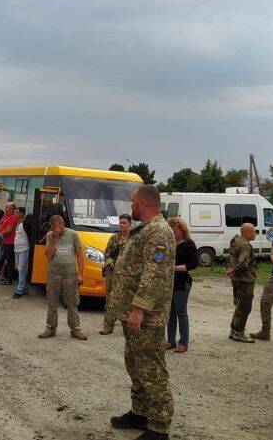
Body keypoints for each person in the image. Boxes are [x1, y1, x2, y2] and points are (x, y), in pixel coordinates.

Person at [108, 185, 175, 440]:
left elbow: (154, 274)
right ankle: (140, 412)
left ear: (144, 204)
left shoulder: (158, 231)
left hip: (145, 317)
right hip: (131, 314)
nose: (131, 205)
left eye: (133, 201)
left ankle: (159, 427)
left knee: (151, 369)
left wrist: (138, 309)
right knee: (135, 365)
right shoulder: (145, 230)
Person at [38, 215, 88, 340]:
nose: (57, 229)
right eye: (54, 227)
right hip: (54, 274)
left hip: (70, 275)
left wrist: (80, 274)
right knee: (52, 302)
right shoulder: (50, 236)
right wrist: (55, 238)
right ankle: (50, 328)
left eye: (58, 226)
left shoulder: (73, 234)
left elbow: (80, 256)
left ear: (63, 223)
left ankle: (75, 329)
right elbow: (49, 256)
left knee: (72, 303)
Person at [165, 217, 197, 354]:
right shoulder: (168, 243)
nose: (173, 232)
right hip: (168, 282)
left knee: (181, 313)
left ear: (182, 230)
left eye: (175, 230)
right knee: (170, 313)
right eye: (171, 229)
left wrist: (175, 268)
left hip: (182, 282)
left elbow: (193, 264)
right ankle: (170, 340)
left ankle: (183, 342)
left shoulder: (189, 244)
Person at [100, 214, 132, 335]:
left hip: (128, 274)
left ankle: (128, 324)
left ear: (130, 224)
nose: (122, 225)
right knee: (110, 298)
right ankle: (108, 325)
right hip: (112, 272)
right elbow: (106, 253)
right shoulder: (114, 238)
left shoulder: (134, 238)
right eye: (120, 223)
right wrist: (111, 263)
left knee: (127, 299)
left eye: (124, 223)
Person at [226, 223, 258, 343]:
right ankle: (239, 333)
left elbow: (231, 258)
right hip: (245, 279)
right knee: (244, 307)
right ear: (247, 233)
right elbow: (242, 263)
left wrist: (230, 270)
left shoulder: (235, 241)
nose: (255, 233)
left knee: (238, 305)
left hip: (236, 280)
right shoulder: (245, 246)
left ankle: (233, 331)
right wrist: (234, 271)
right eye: (253, 231)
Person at [0, 202, 17, 285]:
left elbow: (9, 230)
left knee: (9, 262)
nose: (5, 208)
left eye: (7, 207)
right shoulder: (4, 217)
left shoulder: (13, 217)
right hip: (2, 243)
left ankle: (9, 280)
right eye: (5, 207)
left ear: (12, 209)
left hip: (9, 243)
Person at [12, 207, 33, 298]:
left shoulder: (26, 223)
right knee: (20, 269)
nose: (15, 214)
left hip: (24, 249)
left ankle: (20, 290)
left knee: (21, 269)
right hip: (17, 249)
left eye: (16, 212)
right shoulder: (17, 223)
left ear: (21, 213)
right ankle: (23, 287)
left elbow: (30, 236)